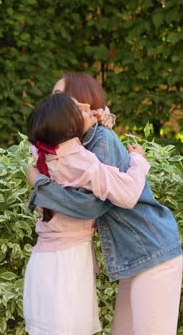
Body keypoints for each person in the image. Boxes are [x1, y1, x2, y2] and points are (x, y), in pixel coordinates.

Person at [28, 72, 182, 335]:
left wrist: (40, 185)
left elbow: (92, 206)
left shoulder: (101, 141)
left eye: (58, 96)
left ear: (81, 103)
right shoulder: (75, 145)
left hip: (152, 248)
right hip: (134, 254)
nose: (51, 102)